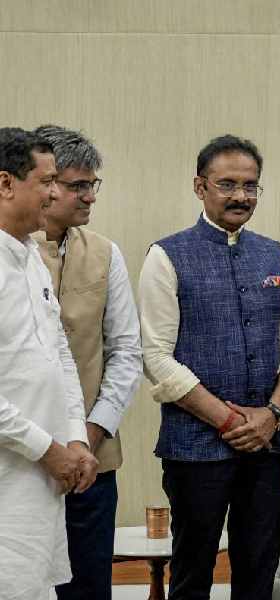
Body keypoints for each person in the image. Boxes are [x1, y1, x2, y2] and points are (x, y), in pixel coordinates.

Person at [139, 134, 280, 599]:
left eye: (251, 185)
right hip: (195, 445)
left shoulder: (274, 254)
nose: (241, 196)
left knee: (260, 564)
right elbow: (156, 358)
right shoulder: (166, 255)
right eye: (228, 184)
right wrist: (230, 419)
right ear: (200, 187)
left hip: (266, 442)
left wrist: (270, 416)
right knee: (193, 567)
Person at [30, 124, 142, 600]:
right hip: (19, 455)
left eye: (92, 185)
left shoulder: (104, 253)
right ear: (44, 182)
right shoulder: (11, 250)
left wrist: (87, 438)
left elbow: (126, 352)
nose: (89, 197)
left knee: (89, 585)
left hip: (93, 459)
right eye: (78, 185)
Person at [0, 127, 96, 599]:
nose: (57, 193)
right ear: (5, 184)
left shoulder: (31, 260)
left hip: (41, 481)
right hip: (9, 478)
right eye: (47, 181)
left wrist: (75, 437)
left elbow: (60, 356)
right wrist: (49, 448)